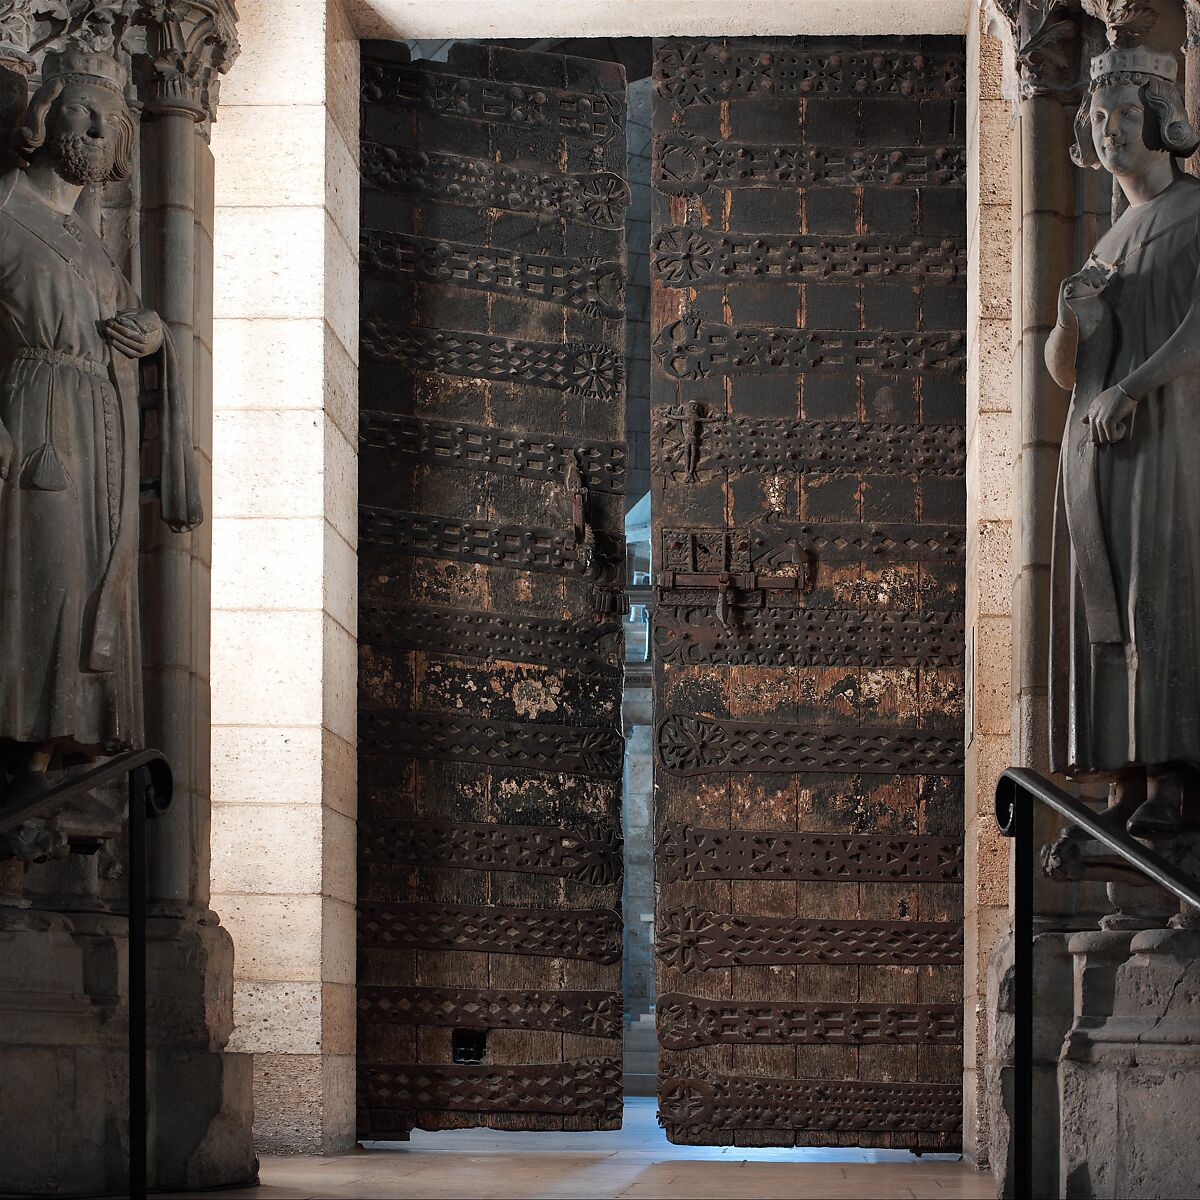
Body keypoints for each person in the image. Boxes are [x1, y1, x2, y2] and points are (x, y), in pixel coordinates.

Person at [0, 42, 202, 801]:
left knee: (90, 587)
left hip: (101, 436)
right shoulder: (5, 211)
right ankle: (23, 768)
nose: (95, 132)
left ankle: (51, 766)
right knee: (41, 590)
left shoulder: (92, 244)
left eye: (112, 122)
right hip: (37, 423)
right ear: (48, 117)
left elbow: (126, 322)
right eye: (84, 112)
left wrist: (156, 340)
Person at [1045, 45, 1200, 837]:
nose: (1110, 132)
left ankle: (1171, 772)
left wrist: (1135, 387)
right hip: (1095, 454)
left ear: (1162, 121)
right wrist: (1072, 315)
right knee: (1102, 606)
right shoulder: (1104, 243)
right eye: (1098, 119)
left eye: (1125, 116)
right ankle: (1123, 773)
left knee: (1159, 593)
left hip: (1169, 440)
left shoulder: (1196, 215)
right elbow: (1062, 368)